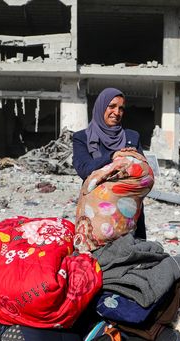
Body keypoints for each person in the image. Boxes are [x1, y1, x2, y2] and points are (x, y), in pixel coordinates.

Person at [72, 87, 146, 239]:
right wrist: (113, 156)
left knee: (131, 254)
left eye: (121, 108)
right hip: (95, 210)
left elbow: (143, 171)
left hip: (128, 211)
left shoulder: (132, 136)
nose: (117, 112)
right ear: (100, 107)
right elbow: (84, 169)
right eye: (111, 106)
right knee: (97, 255)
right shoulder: (82, 138)